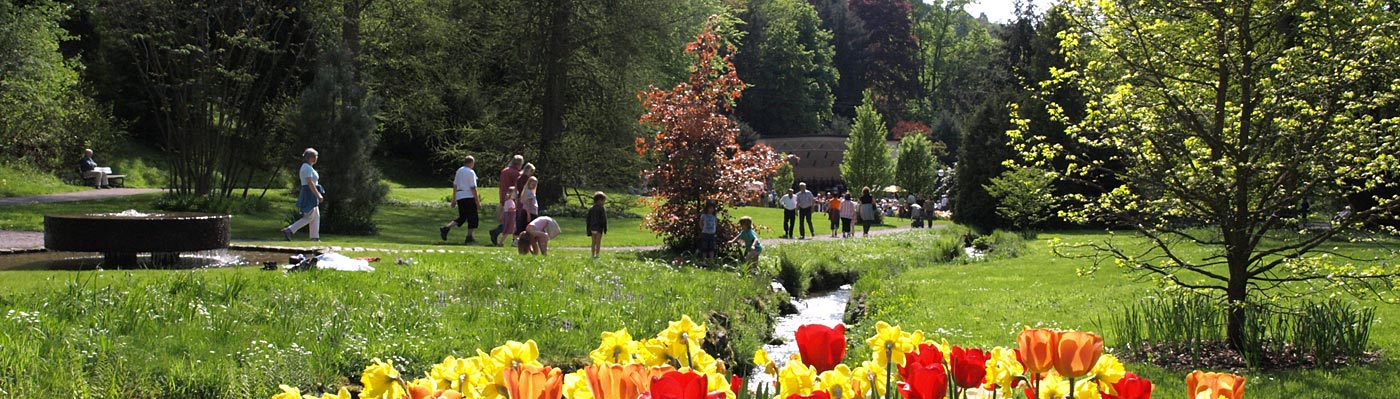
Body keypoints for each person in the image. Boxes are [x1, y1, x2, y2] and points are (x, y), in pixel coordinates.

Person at [281, 148, 324, 241]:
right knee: (309, 216)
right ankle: (289, 230)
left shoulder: (309, 167)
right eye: (315, 156)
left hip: (311, 192)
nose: (316, 158)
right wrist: (318, 195)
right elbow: (310, 183)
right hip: (309, 193)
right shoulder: (306, 168)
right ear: (310, 157)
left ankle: (314, 237)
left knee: (315, 216)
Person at [438, 156, 481, 244]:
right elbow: (473, 187)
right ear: (471, 163)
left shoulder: (459, 171)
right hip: (469, 195)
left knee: (463, 216)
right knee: (473, 217)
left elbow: (455, 185)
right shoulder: (470, 172)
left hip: (460, 196)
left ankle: (447, 228)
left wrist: (454, 199)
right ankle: (469, 236)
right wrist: (477, 200)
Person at [490, 155, 525, 246]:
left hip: (504, 196)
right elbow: (518, 186)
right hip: (512, 198)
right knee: (513, 220)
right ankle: (500, 233)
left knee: (508, 219)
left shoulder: (504, 171)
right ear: (519, 164)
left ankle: (504, 235)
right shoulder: (516, 173)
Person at [586, 191, 608, 258]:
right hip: (599, 228)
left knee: (593, 242)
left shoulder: (591, 208)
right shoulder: (601, 208)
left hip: (592, 228)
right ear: (599, 201)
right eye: (603, 201)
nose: (604, 202)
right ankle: (597, 255)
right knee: (598, 242)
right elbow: (604, 219)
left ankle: (592, 254)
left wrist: (588, 228)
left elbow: (588, 219)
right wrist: (605, 228)